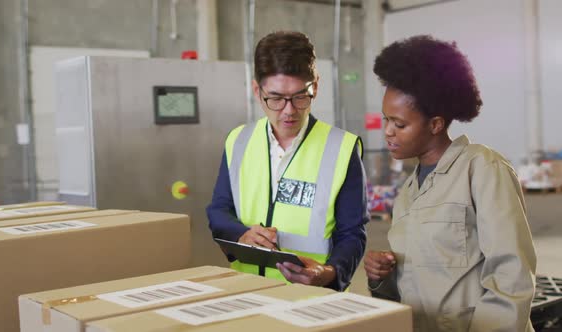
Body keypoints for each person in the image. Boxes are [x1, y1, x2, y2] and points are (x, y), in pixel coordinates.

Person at [364, 35, 536, 331]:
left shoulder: (482, 168)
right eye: (386, 120)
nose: (388, 133)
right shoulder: (409, 192)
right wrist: (381, 278)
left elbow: (511, 277)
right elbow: (412, 285)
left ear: (436, 124)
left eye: (400, 124)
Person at [207, 31, 368, 291]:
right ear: (257, 90)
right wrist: (241, 234)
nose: (289, 110)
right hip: (246, 289)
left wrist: (330, 273)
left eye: (300, 96)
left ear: (315, 85)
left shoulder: (342, 148)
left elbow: (352, 232)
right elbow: (219, 210)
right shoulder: (238, 141)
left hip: (311, 297)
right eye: (277, 98)